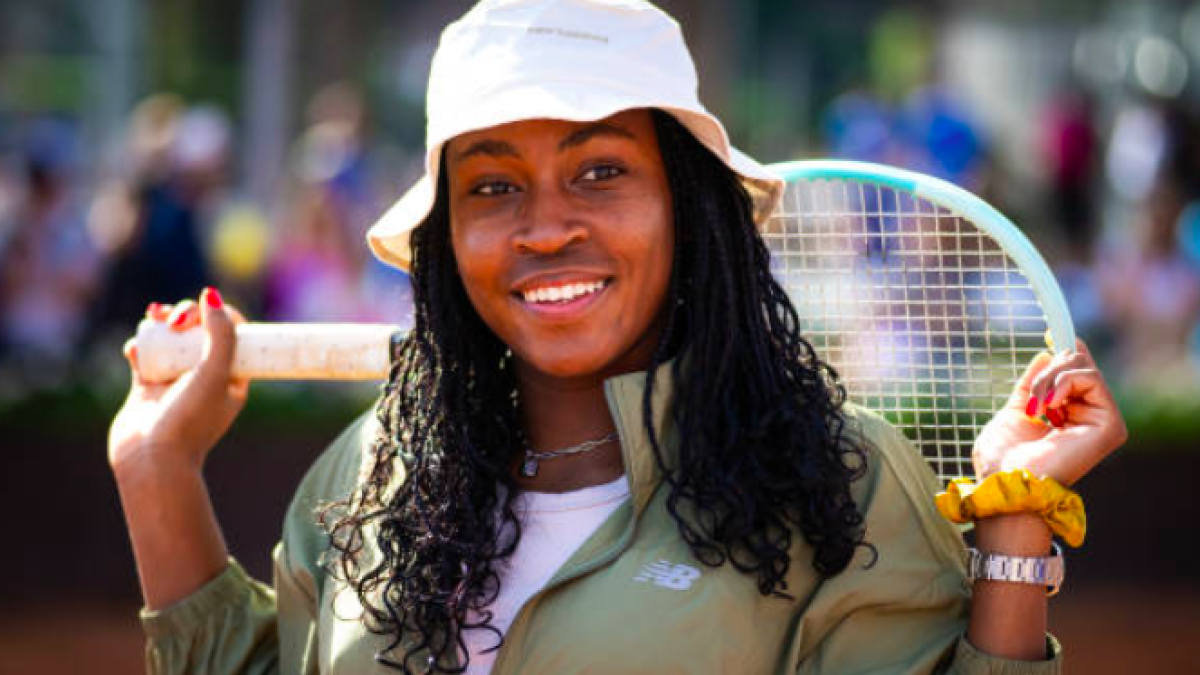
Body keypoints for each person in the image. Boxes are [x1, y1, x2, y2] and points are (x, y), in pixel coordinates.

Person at [109, 1, 1127, 673]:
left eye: (601, 170)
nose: (546, 226)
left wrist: (1014, 530)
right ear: (447, 236)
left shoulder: (840, 479)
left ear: (689, 204)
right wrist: (157, 470)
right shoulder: (369, 473)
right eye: (494, 186)